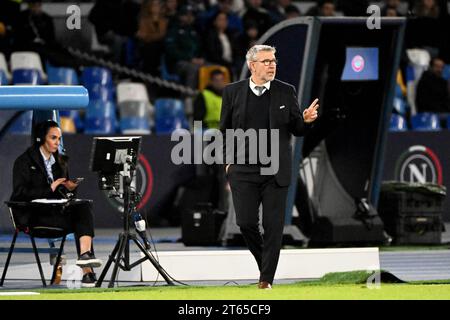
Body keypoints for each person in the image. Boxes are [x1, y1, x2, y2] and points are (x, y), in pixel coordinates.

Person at [219, 45, 319, 289]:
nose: (272, 65)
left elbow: (296, 128)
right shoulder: (232, 92)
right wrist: (228, 164)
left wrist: (305, 121)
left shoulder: (286, 91)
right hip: (243, 169)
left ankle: (266, 280)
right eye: (265, 61)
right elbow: (225, 130)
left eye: (273, 60)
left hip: (275, 170)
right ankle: (266, 263)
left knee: (274, 227)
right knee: (246, 223)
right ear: (252, 65)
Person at [10, 120, 102, 288]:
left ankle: (85, 257)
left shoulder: (61, 161)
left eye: (59, 138)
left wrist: (70, 189)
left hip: (56, 215)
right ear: (41, 139)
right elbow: (19, 194)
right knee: (80, 219)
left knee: (84, 206)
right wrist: (49, 187)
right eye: (53, 138)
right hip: (35, 217)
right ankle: (88, 272)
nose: (57, 142)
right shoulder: (23, 162)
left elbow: (64, 196)